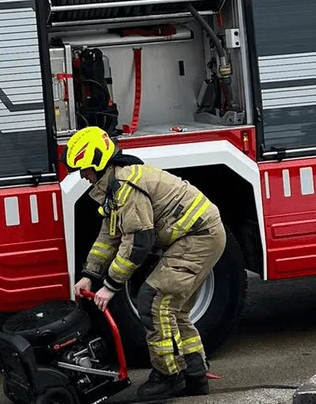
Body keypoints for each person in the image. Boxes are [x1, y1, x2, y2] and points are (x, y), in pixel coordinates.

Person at [67, 126, 226, 401]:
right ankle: (195, 374)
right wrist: (88, 275)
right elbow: (109, 237)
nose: (84, 176)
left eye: (85, 169)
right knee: (174, 310)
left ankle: (168, 376)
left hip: (198, 237)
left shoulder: (125, 187)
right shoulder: (114, 186)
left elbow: (137, 243)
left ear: (99, 161)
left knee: (154, 300)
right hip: (198, 235)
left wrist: (110, 286)